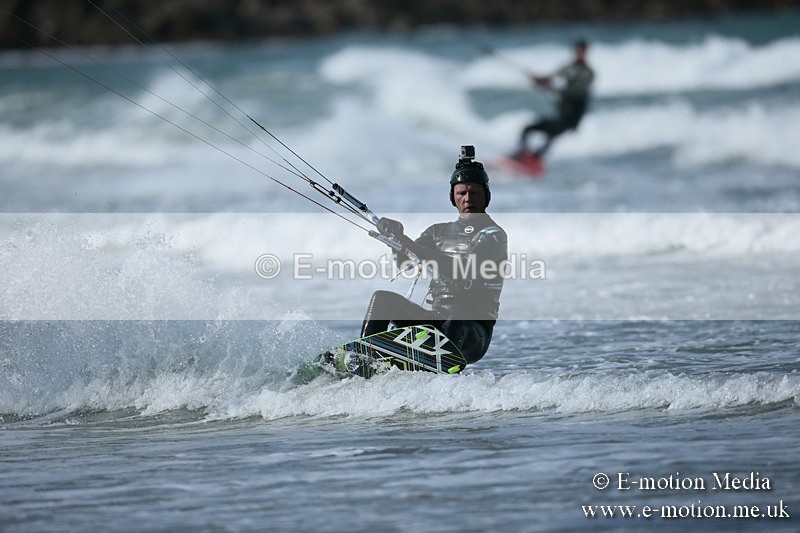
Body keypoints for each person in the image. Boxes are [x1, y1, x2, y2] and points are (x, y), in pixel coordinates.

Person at [361, 146, 507, 365]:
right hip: (436, 324)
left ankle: (436, 361)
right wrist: (395, 238)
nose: (468, 198)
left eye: (474, 192)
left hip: (472, 333)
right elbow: (405, 262)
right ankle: (364, 357)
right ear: (453, 197)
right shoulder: (437, 232)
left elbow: (462, 270)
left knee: (457, 318)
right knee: (382, 299)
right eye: (461, 193)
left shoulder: (493, 235)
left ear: (486, 196)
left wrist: (409, 243)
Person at [518, 38, 594, 158]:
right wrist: (539, 80)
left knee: (551, 134)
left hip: (571, 118)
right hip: (562, 115)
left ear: (585, 53)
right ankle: (521, 155)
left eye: (581, 52)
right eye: (577, 51)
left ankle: (535, 159)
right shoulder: (568, 68)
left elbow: (576, 92)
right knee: (527, 129)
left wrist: (552, 88)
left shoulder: (588, 73)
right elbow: (551, 77)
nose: (579, 54)